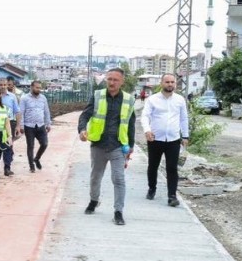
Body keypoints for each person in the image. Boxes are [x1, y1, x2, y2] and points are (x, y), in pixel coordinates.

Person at [77, 68, 136, 226]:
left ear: (122, 82)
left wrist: (131, 145)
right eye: (109, 79)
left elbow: (130, 123)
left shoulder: (129, 100)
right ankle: (93, 200)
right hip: (98, 144)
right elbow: (85, 115)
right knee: (96, 176)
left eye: (115, 80)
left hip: (118, 146)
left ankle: (118, 211)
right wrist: (82, 130)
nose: (112, 82)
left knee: (118, 178)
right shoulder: (97, 96)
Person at [140, 73, 190, 207]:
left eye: (172, 82)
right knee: (153, 166)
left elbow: (184, 119)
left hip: (173, 139)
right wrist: (147, 130)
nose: (170, 84)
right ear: (162, 83)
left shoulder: (180, 100)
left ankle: (172, 196)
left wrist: (185, 136)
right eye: (167, 82)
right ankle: (152, 188)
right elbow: (145, 116)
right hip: (155, 138)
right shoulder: (152, 99)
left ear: (175, 84)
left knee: (172, 168)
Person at [18, 81, 51, 173]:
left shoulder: (43, 98)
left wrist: (48, 123)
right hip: (29, 126)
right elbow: (21, 112)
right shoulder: (24, 98)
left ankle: (36, 158)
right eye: (37, 87)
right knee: (30, 146)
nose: (38, 89)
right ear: (31, 87)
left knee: (44, 144)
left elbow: (46, 111)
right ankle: (31, 166)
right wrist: (21, 125)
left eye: (40, 88)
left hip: (40, 125)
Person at [0, 78, 21, 176]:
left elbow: (17, 111)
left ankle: (7, 167)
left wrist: (18, 126)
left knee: (8, 145)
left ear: (8, 85)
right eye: (1, 85)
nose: (3, 87)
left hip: (10, 123)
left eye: (4, 85)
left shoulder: (12, 97)